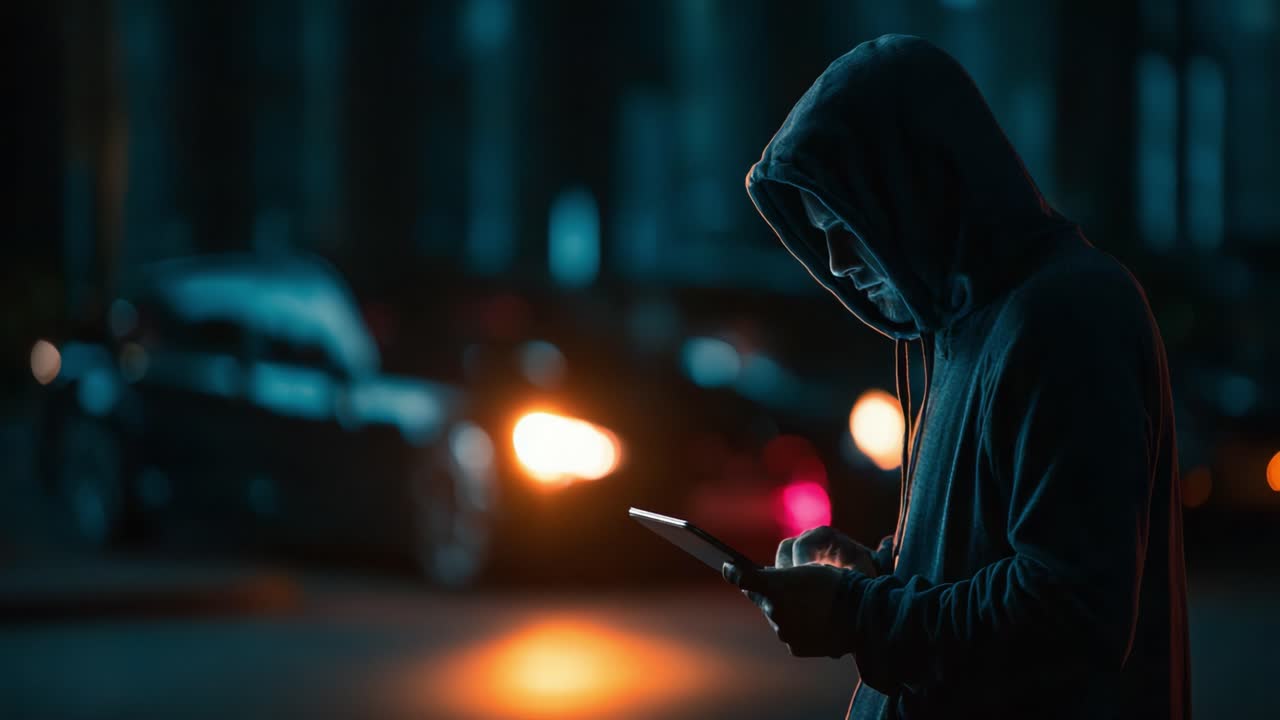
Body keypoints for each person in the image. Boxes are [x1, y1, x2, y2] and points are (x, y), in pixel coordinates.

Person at [722, 34, 1190, 719]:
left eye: (847, 224)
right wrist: (882, 572)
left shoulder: (1069, 314)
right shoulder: (963, 329)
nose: (838, 261)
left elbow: (1072, 612)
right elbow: (994, 561)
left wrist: (860, 612)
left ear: (915, 187)